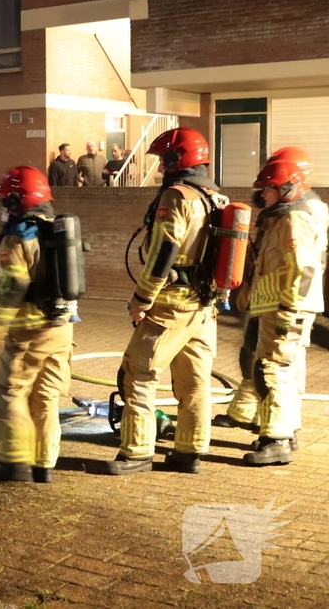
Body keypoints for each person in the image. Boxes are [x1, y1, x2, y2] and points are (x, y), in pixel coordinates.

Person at [106, 127, 221, 475]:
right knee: (194, 380)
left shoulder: (177, 196)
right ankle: (189, 451)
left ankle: (137, 452)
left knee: (139, 374)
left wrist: (141, 299)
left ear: (177, 160)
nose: (159, 168)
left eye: (163, 161)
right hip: (204, 305)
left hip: (172, 304)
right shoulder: (215, 197)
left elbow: (163, 253)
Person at [214, 147, 326, 447]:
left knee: (274, 368)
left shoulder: (297, 217)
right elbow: (271, 262)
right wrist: (251, 293)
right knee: (269, 362)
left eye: (268, 188)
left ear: (288, 186)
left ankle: (278, 437)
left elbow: (300, 268)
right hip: (271, 303)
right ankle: (261, 419)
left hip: (285, 306)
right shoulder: (284, 214)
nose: (262, 195)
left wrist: (288, 310)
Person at [0, 166, 76, 484]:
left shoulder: (17, 236)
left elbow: (14, 285)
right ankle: (44, 465)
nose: (3, 207)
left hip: (28, 330)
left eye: (6, 201)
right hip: (62, 328)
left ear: (18, 201)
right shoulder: (58, 230)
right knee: (46, 396)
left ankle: (16, 462)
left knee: (10, 392)